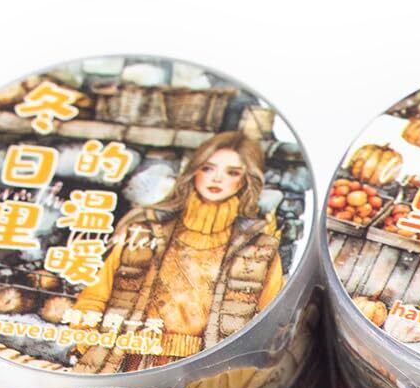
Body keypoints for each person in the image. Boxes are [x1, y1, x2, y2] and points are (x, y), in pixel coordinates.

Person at [72, 130, 283, 372]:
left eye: (232, 172)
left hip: (205, 376)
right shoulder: (146, 229)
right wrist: (90, 344)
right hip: (125, 364)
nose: (217, 179)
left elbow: (270, 325)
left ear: (245, 180)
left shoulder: (260, 248)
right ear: (194, 170)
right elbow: (94, 297)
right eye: (208, 168)